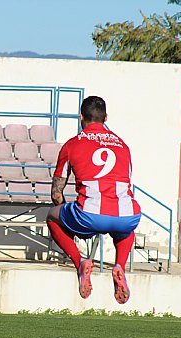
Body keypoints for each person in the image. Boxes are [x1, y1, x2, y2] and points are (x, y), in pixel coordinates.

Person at [47, 96, 141, 304]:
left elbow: (55, 193)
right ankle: (119, 266)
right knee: (125, 227)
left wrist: (66, 213)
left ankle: (80, 262)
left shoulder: (72, 145)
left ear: (81, 117)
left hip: (89, 213)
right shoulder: (123, 146)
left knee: (52, 218)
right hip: (127, 214)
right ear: (106, 117)